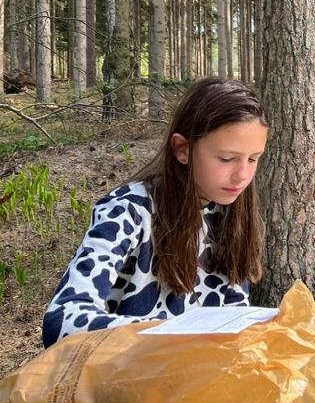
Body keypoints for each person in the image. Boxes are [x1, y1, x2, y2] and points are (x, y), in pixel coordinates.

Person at [42, 78, 269, 347]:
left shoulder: (230, 215)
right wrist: (174, 333)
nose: (242, 175)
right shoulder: (127, 211)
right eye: (227, 159)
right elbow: (62, 321)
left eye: (253, 159)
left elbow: (234, 318)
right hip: (124, 381)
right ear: (182, 150)